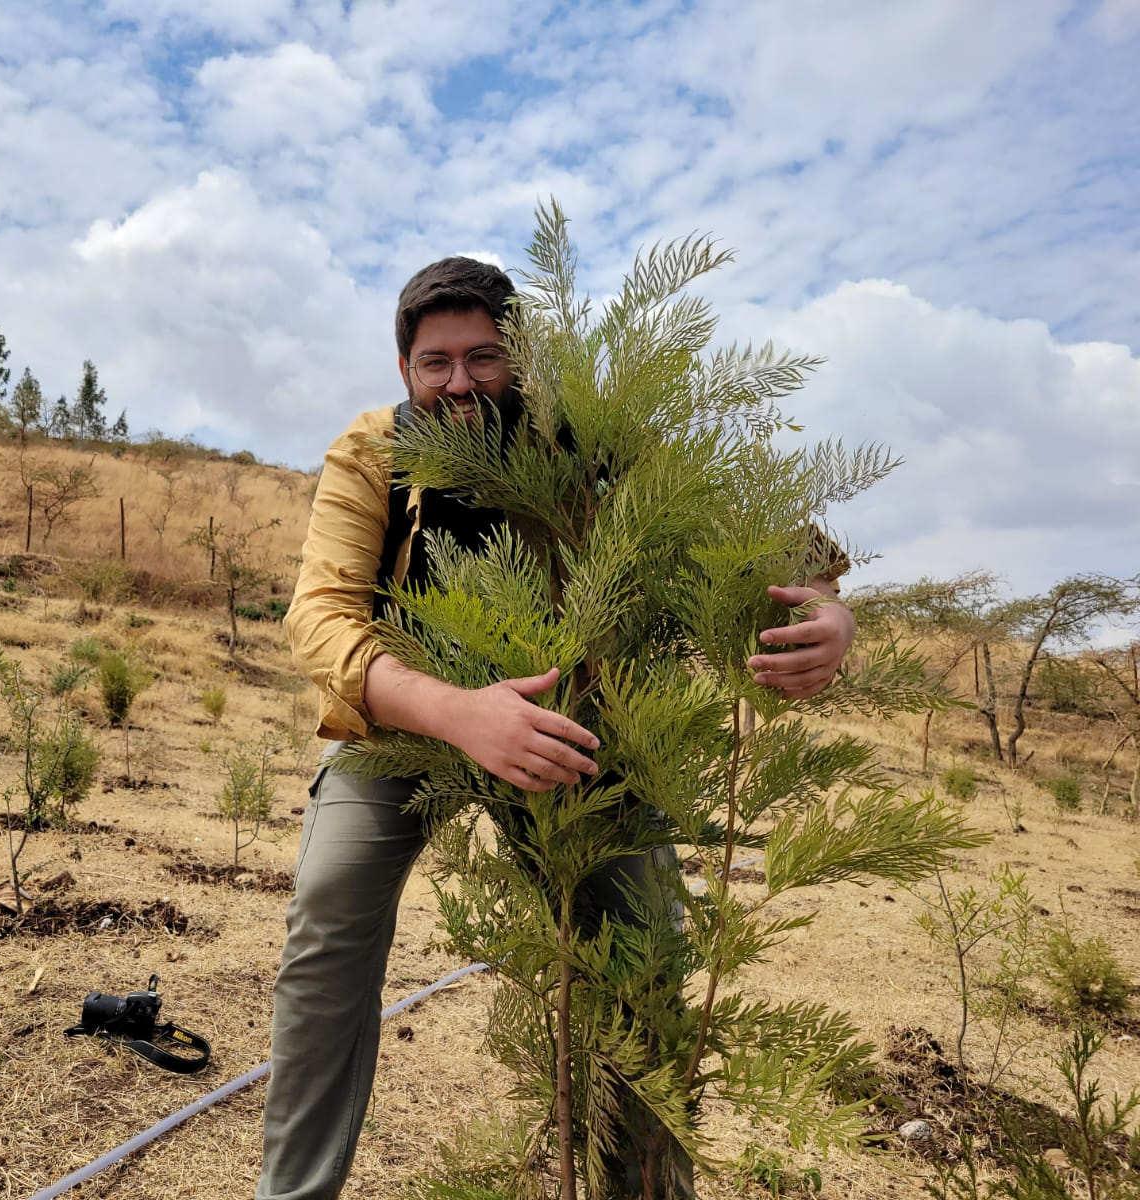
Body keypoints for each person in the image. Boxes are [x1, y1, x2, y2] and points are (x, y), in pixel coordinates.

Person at [256, 256, 856, 1200]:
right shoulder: (373, 452)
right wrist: (460, 712)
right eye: (435, 363)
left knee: (639, 968)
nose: (460, 382)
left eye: (484, 357)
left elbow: (760, 530)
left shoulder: (595, 440)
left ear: (522, 360)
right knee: (328, 922)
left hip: (570, 728)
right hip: (409, 723)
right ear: (406, 370)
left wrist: (826, 606)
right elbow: (321, 617)